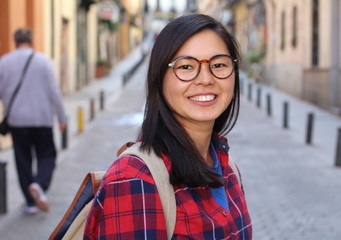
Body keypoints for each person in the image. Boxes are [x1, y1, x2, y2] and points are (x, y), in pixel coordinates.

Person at [84, 14, 252, 239]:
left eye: (219, 64)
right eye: (185, 66)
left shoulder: (227, 168)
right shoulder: (135, 179)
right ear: (159, 78)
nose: (205, 79)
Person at [0, 28, 67, 214]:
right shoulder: (43, 62)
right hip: (42, 119)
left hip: (17, 121)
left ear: (15, 42)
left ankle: (30, 204)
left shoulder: (4, 62)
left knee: (23, 160)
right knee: (47, 155)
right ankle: (39, 185)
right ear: (32, 42)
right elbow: (54, 92)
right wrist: (62, 118)